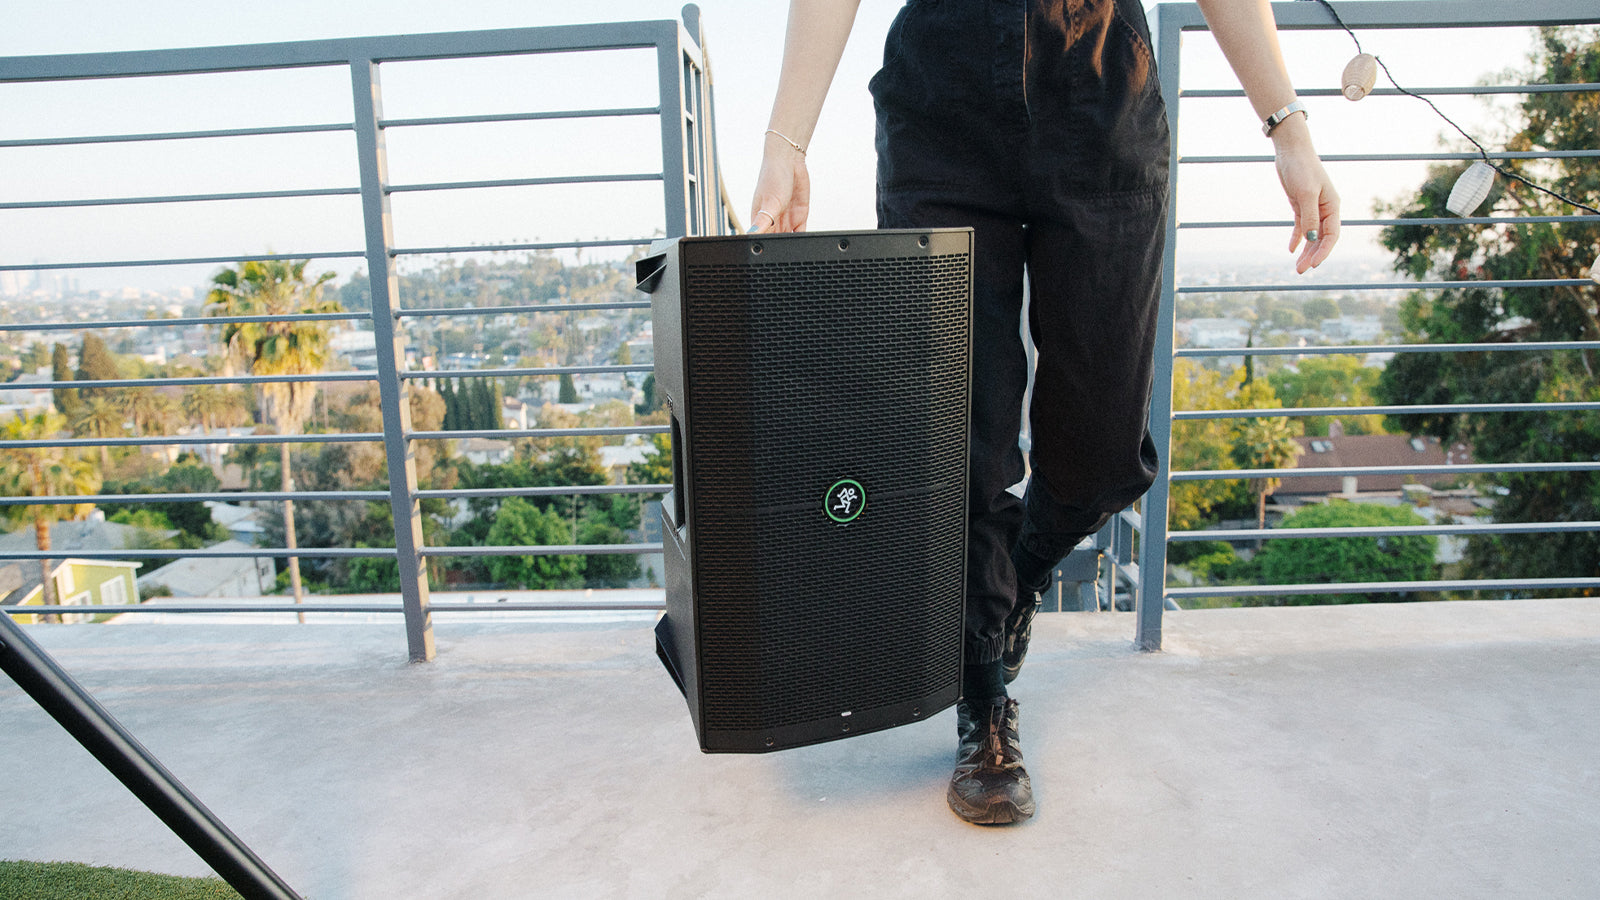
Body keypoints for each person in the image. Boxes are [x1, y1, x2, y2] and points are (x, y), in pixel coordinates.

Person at [749, 0, 1340, 825]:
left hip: (1101, 93)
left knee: (1104, 449)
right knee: (958, 439)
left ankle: (1016, 575)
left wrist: (1289, 127)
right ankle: (984, 696)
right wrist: (788, 141)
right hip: (941, 100)